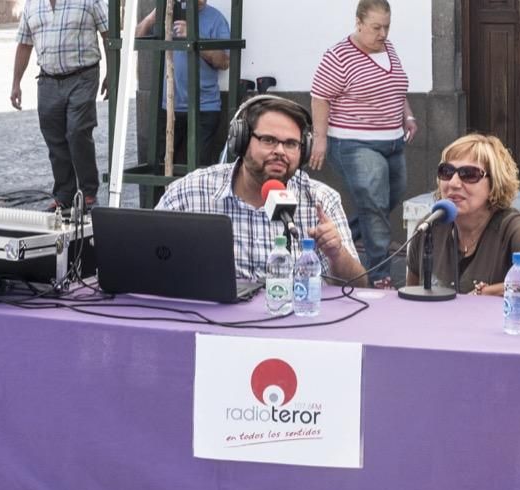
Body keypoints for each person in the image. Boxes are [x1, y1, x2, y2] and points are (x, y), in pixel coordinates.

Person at [156, 95, 368, 287]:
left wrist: (336, 253)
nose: (280, 151)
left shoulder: (321, 200)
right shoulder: (190, 192)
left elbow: (358, 288)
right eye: (268, 140)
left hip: (295, 326)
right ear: (241, 140)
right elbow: (149, 257)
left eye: (291, 144)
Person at [309, 0, 416, 289]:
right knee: (375, 204)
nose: (383, 33)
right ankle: (379, 275)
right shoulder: (339, 56)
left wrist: (408, 115)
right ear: (358, 23)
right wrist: (319, 139)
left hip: (392, 141)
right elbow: (320, 96)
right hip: (354, 143)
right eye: (376, 27)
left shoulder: (388, 48)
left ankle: (338, 235)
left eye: (387, 26)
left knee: (390, 198)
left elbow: (396, 87)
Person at [407, 133, 520, 299]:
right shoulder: (429, 227)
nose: (453, 183)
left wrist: (490, 291)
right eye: (446, 172)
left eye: (469, 174)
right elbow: (411, 299)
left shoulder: (512, 226)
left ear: (494, 183)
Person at [11, 0, 109, 212]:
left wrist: (113, 72)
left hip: (83, 76)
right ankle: (65, 194)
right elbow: (24, 44)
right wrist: (16, 83)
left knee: (77, 132)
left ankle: (89, 193)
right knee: (54, 139)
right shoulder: (32, 5)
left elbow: (108, 34)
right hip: (47, 80)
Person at [136, 0, 230, 167]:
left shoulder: (216, 19)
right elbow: (135, 39)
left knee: (199, 168)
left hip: (204, 107)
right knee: (159, 165)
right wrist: (152, 18)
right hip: (169, 106)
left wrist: (193, 36)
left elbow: (223, 62)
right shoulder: (171, 14)